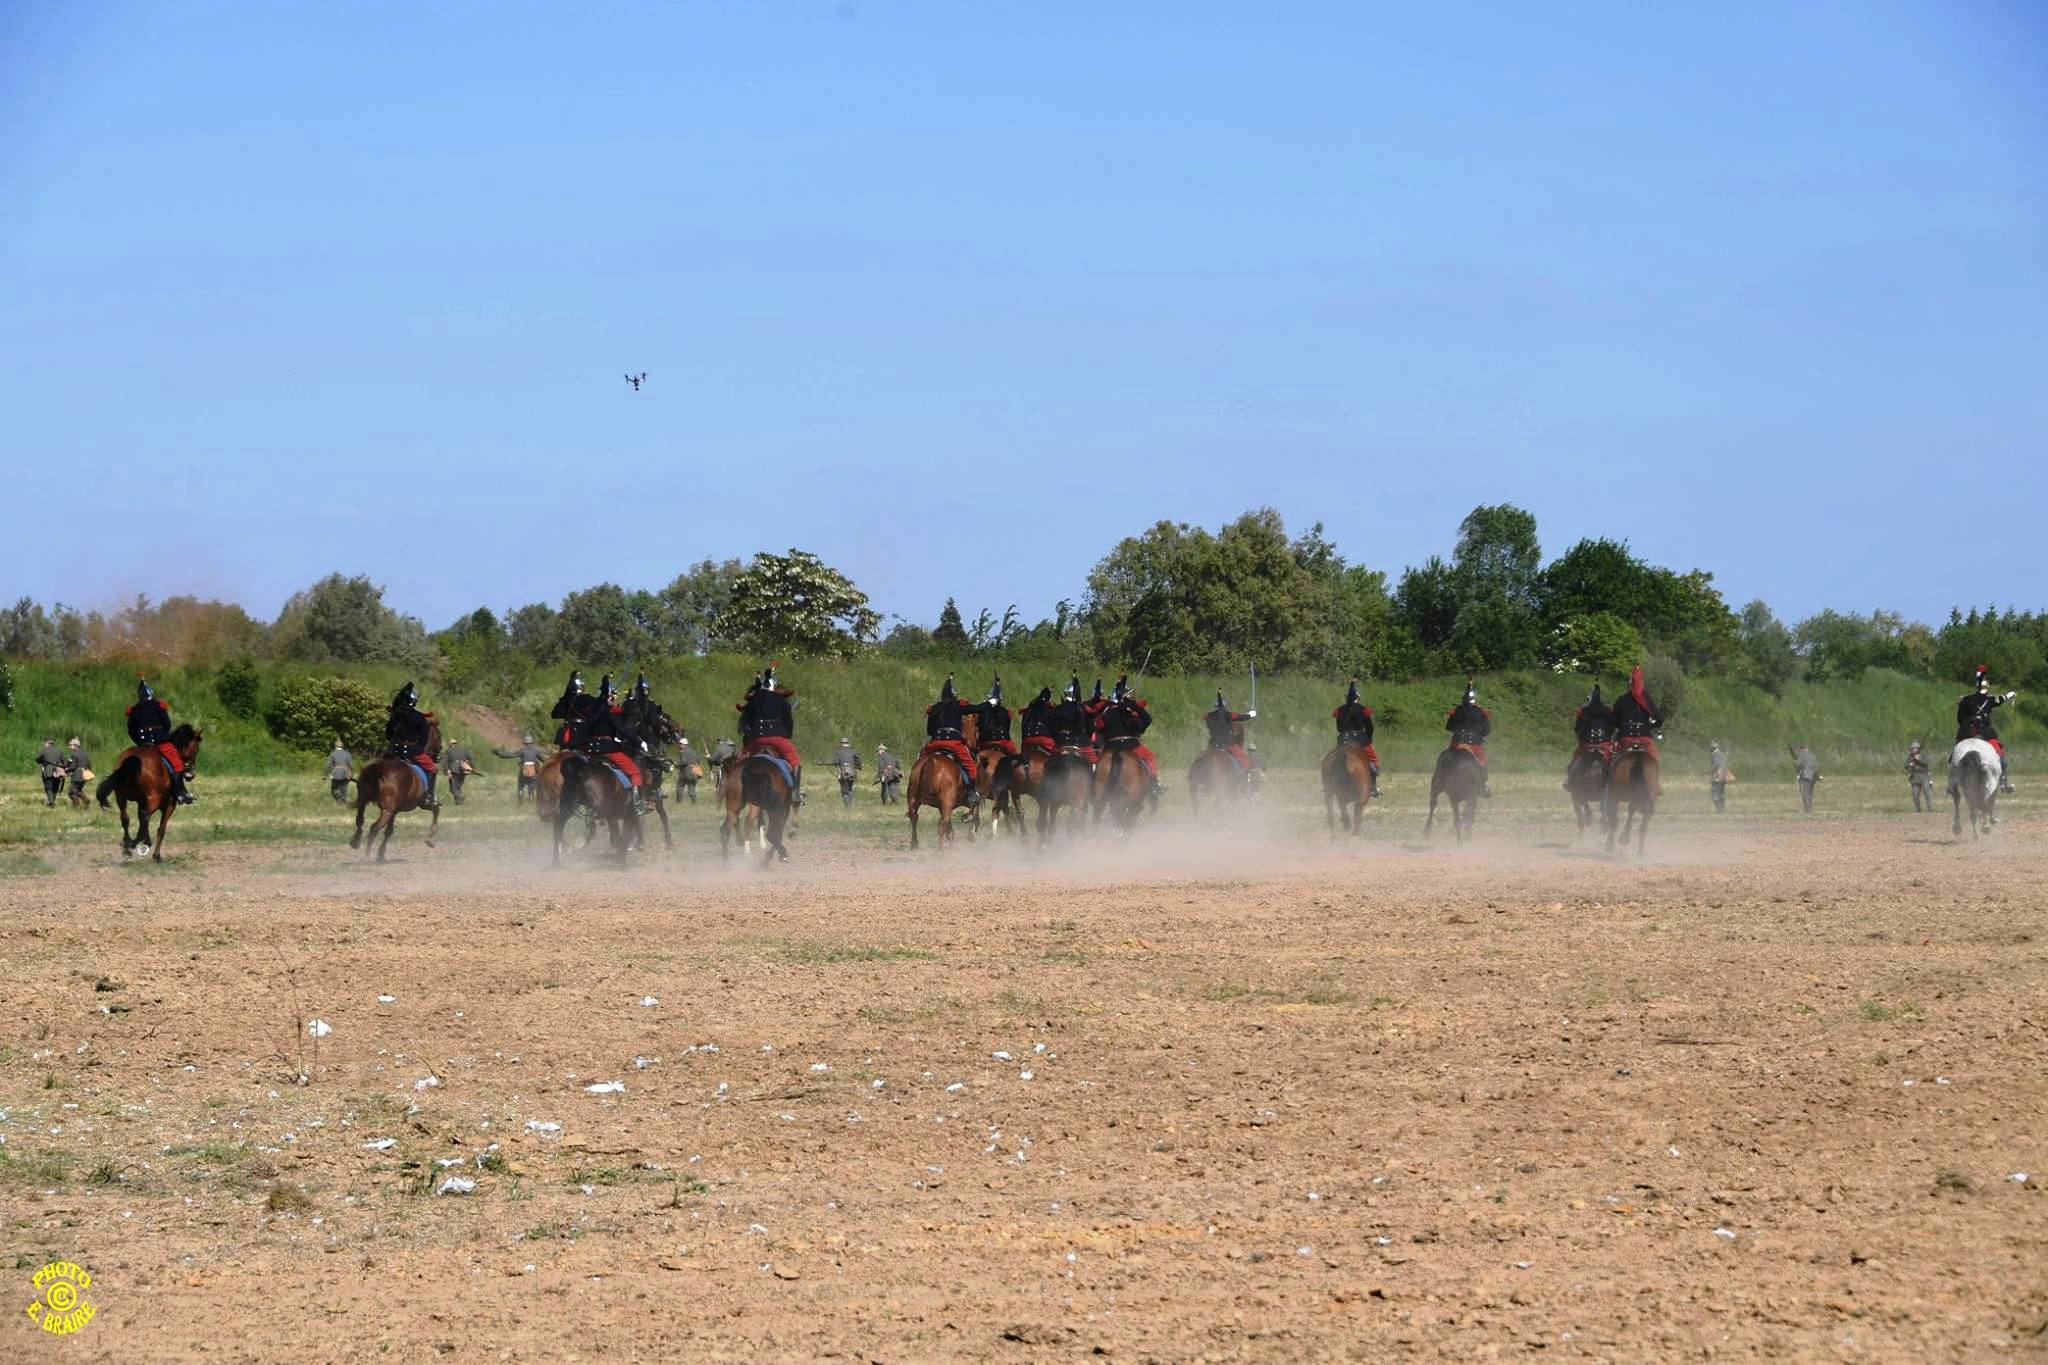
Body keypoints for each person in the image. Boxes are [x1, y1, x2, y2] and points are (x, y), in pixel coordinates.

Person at [582, 675, 648, 814]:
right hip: (608, 749)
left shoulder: (590, 713)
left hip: (590, 750)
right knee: (634, 771)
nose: (614, 700)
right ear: (608, 699)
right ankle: (637, 804)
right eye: (612, 698)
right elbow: (623, 730)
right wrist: (639, 742)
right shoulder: (608, 713)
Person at [735, 664, 802, 804]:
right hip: (777, 738)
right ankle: (795, 794)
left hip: (756, 740)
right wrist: (787, 735)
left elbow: (746, 723)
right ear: (773, 686)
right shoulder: (781, 701)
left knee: (741, 760)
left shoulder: (753, 701)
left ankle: (735, 788)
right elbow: (788, 723)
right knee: (795, 760)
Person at [126, 678, 195, 805]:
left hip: (142, 744)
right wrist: (163, 736)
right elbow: (166, 724)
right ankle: (180, 793)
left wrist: (140, 743)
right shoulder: (158, 705)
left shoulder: (133, 710)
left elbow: (131, 731)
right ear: (151, 694)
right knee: (177, 764)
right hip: (160, 742)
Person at [1955, 665, 2018, 794]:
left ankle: (1953, 781)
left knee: (1955, 753)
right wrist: (2011, 695)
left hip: (1967, 732)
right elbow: (2001, 699)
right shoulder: (1990, 700)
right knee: (2000, 754)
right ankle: (2003, 782)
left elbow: (1960, 719)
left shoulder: (1965, 700)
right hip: (1984, 732)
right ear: (1987, 688)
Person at [1095, 674, 1161, 795]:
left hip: (1110, 746)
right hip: (1130, 745)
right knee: (1150, 756)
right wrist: (1135, 706)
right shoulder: (1130, 713)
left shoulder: (1105, 712)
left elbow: (1099, 728)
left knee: (1097, 761)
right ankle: (1153, 783)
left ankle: (1094, 784)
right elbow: (1146, 721)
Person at [922, 675, 980, 807]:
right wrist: (990, 703)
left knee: (920, 760)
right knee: (971, 767)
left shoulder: (935, 708)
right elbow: (977, 709)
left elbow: (929, 731)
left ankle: (916, 791)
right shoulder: (957, 707)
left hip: (935, 743)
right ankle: (971, 793)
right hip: (954, 743)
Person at [619, 674, 674, 805]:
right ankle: (654, 790)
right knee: (657, 762)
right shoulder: (650, 704)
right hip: (645, 738)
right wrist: (659, 730)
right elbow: (654, 723)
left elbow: (622, 720)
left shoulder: (627, 703)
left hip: (626, 738)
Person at [384, 681, 440, 810]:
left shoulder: (395, 716)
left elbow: (387, 735)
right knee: (433, 769)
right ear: (413, 702)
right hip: (413, 751)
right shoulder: (419, 717)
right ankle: (429, 796)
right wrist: (417, 748)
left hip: (395, 750)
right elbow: (424, 739)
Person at [1333, 680, 1383, 797]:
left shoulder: (1339, 710)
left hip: (1343, 739)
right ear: (1358, 698)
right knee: (1373, 761)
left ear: (1346, 698)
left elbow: (1339, 728)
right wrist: (1369, 739)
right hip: (1360, 739)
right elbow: (1370, 727)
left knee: (1335, 758)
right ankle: (1373, 787)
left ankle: (1331, 785)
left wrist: (1345, 734)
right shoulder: (1363, 710)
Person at [1445, 679, 1492, 799]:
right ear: (1475, 699)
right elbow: (1486, 731)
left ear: (1463, 698)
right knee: (1482, 762)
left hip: (1457, 742)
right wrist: (1478, 734)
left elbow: (1449, 727)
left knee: (1446, 759)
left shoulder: (1456, 710)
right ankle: (1484, 785)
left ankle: (1441, 780)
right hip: (1474, 744)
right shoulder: (1481, 712)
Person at [1203, 690, 1257, 785]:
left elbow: (1206, 716)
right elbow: (1241, 717)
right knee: (1244, 760)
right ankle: (1244, 780)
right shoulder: (1228, 714)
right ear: (1225, 707)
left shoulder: (1208, 716)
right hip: (1227, 744)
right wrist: (1251, 715)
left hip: (1213, 745)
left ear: (1215, 707)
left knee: (1204, 758)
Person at [966, 675, 1018, 763]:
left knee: (973, 759)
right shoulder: (1006, 712)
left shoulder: (981, 712)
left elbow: (977, 728)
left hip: (985, 743)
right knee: (1016, 759)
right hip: (1004, 742)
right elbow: (1007, 729)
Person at [1049, 676, 1098, 762]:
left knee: (1048, 762)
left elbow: (1052, 728)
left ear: (1065, 694)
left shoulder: (1057, 709)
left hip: (1061, 742)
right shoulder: (1084, 708)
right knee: (1094, 762)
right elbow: (1090, 728)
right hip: (1081, 743)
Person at [493, 733, 546, 803]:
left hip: (523, 774)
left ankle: (521, 802)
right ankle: (531, 800)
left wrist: (500, 753)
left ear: (524, 743)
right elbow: (545, 760)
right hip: (533, 775)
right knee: (532, 788)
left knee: (520, 787)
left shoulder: (522, 751)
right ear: (531, 742)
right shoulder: (536, 751)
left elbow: (511, 755)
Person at [1019, 686, 1059, 758]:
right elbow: (1054, 728)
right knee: (1057, 756)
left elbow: (1023, 727)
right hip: (1044, 740)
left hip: (1028, 739)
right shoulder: (1050, 710)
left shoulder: (1029, 710)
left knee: (1021, 757)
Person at [443, 735, 477, 803]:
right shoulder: (464, 749)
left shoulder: (449, 750)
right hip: (463, 769)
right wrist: (473, 768)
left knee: (453, 789)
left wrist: (447, 772)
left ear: (450, 745)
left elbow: (445, 762)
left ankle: (460, 797)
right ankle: (459, 803)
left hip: (454, 770)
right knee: (458, 787)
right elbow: (472, 758)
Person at [830, 736, 863, 807]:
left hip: (843, 773)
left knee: (844, 791)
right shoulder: (853, 751)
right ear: (848, 743)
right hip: (852, 772)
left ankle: (848, 807)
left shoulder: (839, 752)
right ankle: (849, 806)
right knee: (850, 789)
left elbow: (835, 762)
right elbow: (859, 761)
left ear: (841, 743)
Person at [34, 737, 65, 806]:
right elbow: (64, 762)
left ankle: (51, 802)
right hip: (58, 771)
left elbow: (37, 759)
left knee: (48, 787)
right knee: (55, 787)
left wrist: (42, 761)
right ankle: (52, 801)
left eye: (45, 743)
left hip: (48, 771)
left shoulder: (44, 750)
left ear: (47, 743)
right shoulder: (59, 750)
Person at [1906, 740, 1935, 813]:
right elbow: (1905, 765)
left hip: (1924, 776)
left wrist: (1918, 759)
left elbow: (1926, 763)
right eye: (1912, 749)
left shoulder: (1923, 756)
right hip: (1914, 778)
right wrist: (1910, 764)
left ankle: (1930, 808)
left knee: (1927, 792)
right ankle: (1918, 809)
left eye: (1914, 748)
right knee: (1915, 795)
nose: (1913, 750)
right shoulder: (1910, 757)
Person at [673, 733, 702, 804]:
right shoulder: (694, 751)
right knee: (691, 789)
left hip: (685, 772)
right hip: (694, 772)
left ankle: (678, 802)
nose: (679, 745)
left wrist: (676, 765)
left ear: (683, 744)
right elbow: (698, 761)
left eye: (680, 744)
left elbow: (683, 761)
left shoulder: (682, 752)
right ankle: (694, 802)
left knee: (680, 787)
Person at [1793, 744, 1821, 813]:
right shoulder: (1813, 755)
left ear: (1801, 749)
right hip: (1815, 773)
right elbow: (1817, 765)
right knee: (1810, 791)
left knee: (1805, 791)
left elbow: (1797, 764)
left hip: (1807, 772)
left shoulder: (1801, 755)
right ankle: (1809, 807)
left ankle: (1807, 809)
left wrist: (1794, 762)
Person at [325, 739, 354, 803]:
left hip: (336, 774)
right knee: (344, 788)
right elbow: (351, 765)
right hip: (345, 773)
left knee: (334, 789)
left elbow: (328, 765)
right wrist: (352, 774)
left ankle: (339, 800)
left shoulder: (332, 754)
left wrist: (325, 775)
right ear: (342, 747)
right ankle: (343, 799)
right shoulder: (347, 754)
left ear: (335, 746)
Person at [64, 738, 91, 806]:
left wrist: (66, 770)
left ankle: (77, 807)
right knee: (78, 790)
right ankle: (86, 801)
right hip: (85, 774)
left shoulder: (74, 754)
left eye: (70, 745)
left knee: (71, 792)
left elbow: (73, 767)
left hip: (77, 775)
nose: (69, 747)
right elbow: (89, 765)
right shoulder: (85, 754)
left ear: (76, 746)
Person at [1708, 741, 1730, 814]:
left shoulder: (1714, 754)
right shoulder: (1722, 754)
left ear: (1712, 748)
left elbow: (1716, 764)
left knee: (1714, 792)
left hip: (1718, 775)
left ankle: (1719, 809)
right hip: (1724, 775)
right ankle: (1722, 809)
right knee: (1721, 792)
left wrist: (1711, 771)